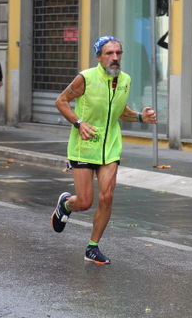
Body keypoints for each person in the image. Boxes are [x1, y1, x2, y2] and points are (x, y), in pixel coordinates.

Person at [52, 36, 157, 265]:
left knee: (107, 197)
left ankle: (92, 247)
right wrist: (79, 123)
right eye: (109, 53)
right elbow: (61, 101)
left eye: (118, 53)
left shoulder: (125, 80)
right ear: (99, 57)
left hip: (110, 147)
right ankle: (67, 204)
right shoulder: (85, 78)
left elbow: (119, 110)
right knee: (85, 202)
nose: (115, 58)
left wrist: (140, 116)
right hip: (84, 146)